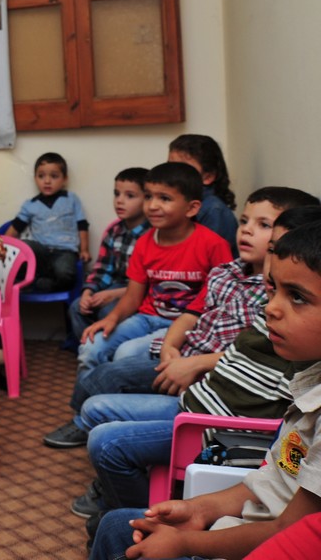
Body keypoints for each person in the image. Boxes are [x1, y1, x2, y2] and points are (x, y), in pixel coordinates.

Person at [76, 205, 321, 534]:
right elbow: (267, 481)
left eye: (296, 295)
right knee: (100, 393)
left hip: (210, 425)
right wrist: (174, 352)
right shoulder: (259, 297)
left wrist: (186, 540)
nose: (271, 304)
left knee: (106, 445)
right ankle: (116, 495)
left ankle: (124, 504)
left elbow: (292, 526)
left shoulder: (299, 349)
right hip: (197, 394)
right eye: (273, 252)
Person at [48, 187, 309, 450]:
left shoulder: (271, 298)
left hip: (209, 373)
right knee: (109, 360)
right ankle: (87, 421)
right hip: (186, 350)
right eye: (244, 221)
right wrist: (170, 347)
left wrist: (193, 364)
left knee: (113, 375)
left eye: (263, 225)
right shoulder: (226, 272)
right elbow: (191, 314)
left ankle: (92, 425)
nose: (247, 230)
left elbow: (247, 356)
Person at [72, 162, 233, 375]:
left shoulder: (213, 245)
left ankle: (115, 401)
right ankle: (89, 407)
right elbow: (133, 296)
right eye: (148, 196)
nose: (152, 206)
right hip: (146, 318)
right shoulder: (144, 242)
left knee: (126, 354)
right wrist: (111, 318)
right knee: (91, 346)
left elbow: (219, 301)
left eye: (164, 198)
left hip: (184, 326)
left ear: (192, 208)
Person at [70, 167, 150, 340]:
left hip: (140, 292)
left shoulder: (154, 234)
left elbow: (151, 283)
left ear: (147, 200)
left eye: (130, 196)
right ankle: (88, 351)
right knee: (77, 307)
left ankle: (108, 356)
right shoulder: (114, 231)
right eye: (117, 194)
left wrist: (112, 295)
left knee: (108, 310)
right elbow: (102, 270)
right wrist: (88, 293)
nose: (119, 201)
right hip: (115, 285)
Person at [4, 152, 91, 292]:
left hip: (65, 252)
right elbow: (15, 228)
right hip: (41, 253)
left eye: (54, 176)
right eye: (41, 176)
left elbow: (82, 224)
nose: (47, 181)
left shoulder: (71, 199)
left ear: (64, 179)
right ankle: (38, 279)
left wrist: (85, 249)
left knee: (66, 274)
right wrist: (1, 247)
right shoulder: (30, 204)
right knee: (24, 246)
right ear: (35, 178)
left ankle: (41, 283)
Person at [169, 133, 238, 253]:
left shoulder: (213, 210)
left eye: (183, 168)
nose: (173, 174)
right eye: (170, 166)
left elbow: (205, 257)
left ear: (208, 177)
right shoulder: (177, 200)